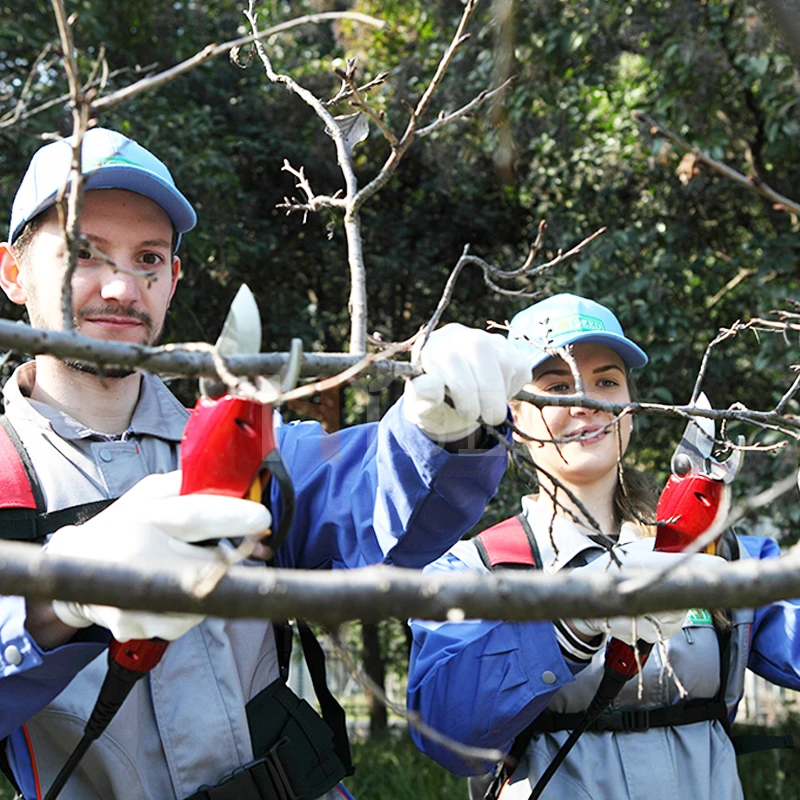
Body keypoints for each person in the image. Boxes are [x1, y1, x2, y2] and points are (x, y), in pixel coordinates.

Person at [0, 127, 534, 800]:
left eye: (148, 258)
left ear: (173, 278)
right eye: (84, 252)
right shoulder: (3, 478)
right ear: (12, 273)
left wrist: (442, 429)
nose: (119, 288)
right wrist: (59, 596)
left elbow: (367, 493)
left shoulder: (248, 443)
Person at [406, 293, 800, 799]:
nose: (585, 403)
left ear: (631, 407)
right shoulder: (475, 571)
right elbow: (444, 729)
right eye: (556, 387)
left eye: (606, 382)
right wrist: (565, 627)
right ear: (514, 416)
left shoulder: (714, 556)